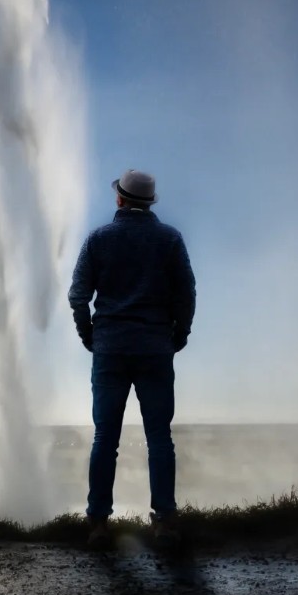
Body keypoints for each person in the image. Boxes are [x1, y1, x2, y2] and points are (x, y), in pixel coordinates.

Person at [68, 169, 196, 550]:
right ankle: (165, 522)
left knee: (106, 436)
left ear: (120, 199)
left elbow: (78, 295)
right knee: (159, 436)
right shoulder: (170, 239)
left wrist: (88, 333)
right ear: (150, 202)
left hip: (110, 347)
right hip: (155, 347)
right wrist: (180, 333)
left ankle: (98, 523)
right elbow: (185, 294)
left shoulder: (99, 239)